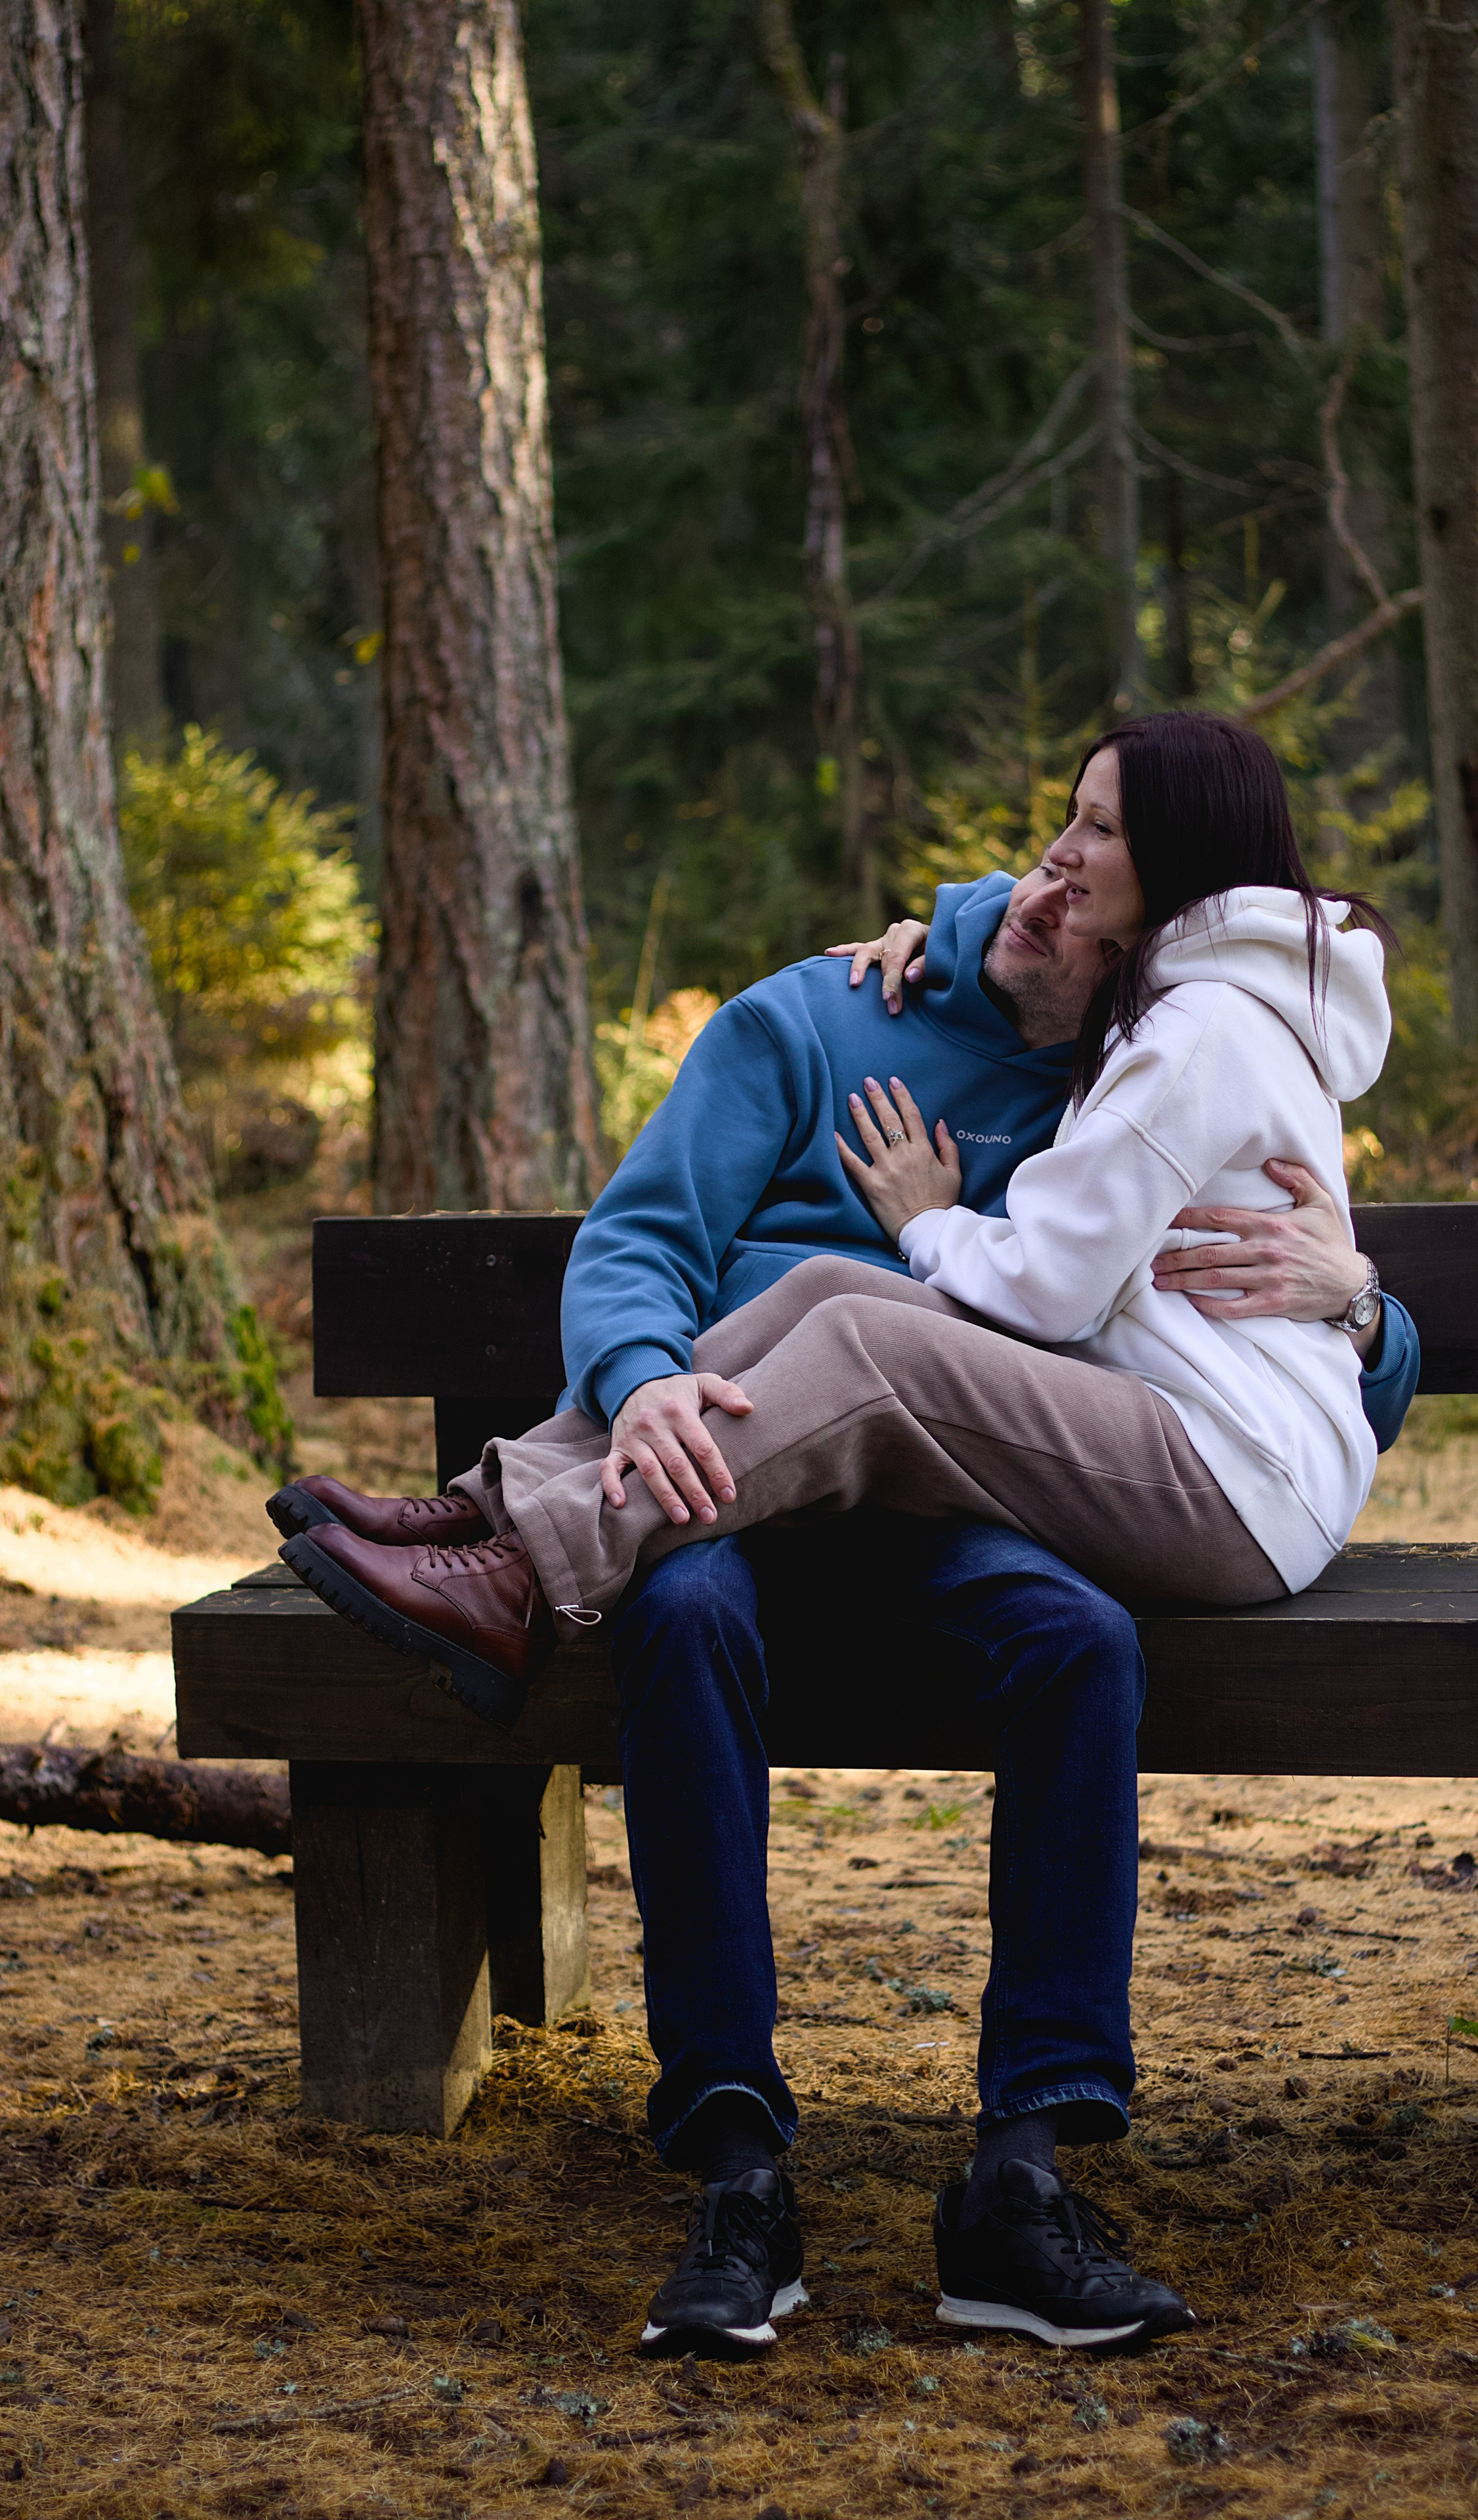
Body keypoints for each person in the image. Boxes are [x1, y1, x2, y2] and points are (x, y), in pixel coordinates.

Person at [272, 714, 1419, 2359]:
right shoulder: (824, 1012)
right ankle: (736, 2164)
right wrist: (648, 1383)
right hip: (710, 1481)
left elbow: (1280, 1329)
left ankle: (1023, 2173)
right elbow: (635, 1245)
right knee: (693, 1600)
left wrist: (1365, 1301)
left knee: (1073, 1639)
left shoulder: (1145, 1046)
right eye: (1043, 848)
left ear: (1138, 927)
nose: (1045, 887)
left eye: (1083, 858)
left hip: (965, 1487)